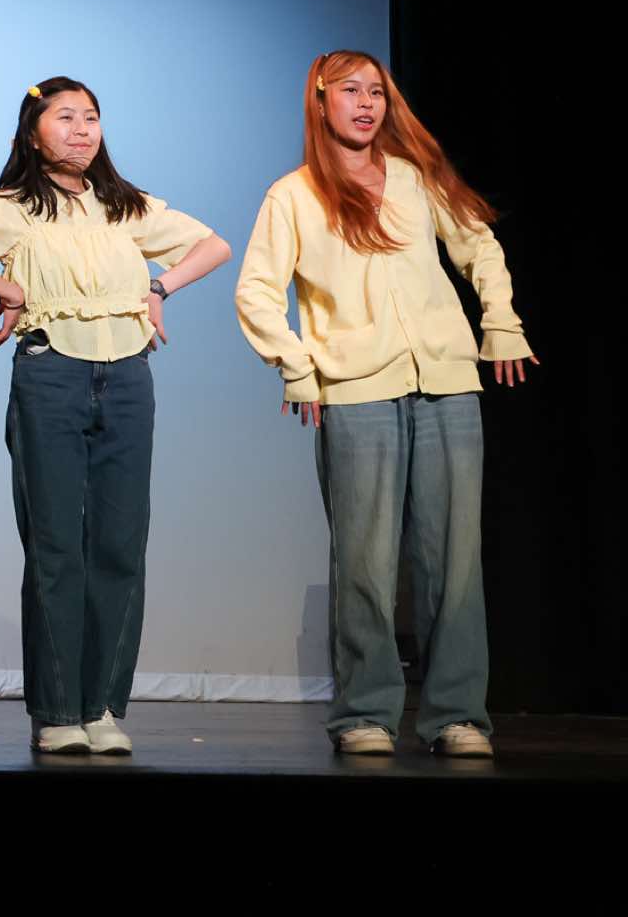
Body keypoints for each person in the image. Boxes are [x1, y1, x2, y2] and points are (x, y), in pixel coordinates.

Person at [234, 51, 535, 757]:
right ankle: (364, 713)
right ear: (321, 101)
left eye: (376, 91)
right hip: (356, 390)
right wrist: (297, 367)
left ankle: (457, 715)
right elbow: (256, 290)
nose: (367, 103)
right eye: (351, 91)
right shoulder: (294, 195)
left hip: (446, 382)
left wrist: (501, 322)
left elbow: (479, 245)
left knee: (454, 560)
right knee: (365, 561)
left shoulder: (414, 177)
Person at [0, 77, 229, 754]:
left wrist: (159, 286)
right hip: (51, 370)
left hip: (128, 376)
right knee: (57, 546)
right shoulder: (12, 206)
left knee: (120, 545)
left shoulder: (125, 205)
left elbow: (214, 245)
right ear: (33, 132)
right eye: (65, 117)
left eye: (91, 117)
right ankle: (58, 710)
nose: (82, 129)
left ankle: (103, 707)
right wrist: (6, 286)